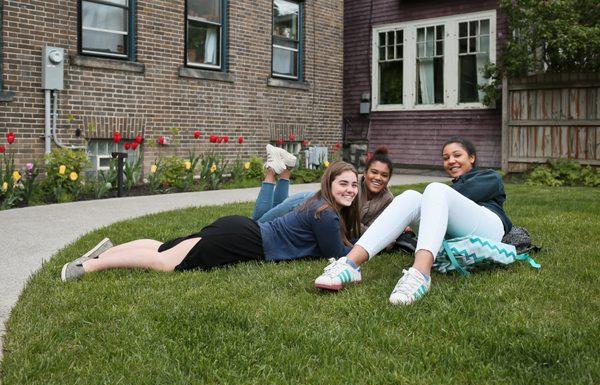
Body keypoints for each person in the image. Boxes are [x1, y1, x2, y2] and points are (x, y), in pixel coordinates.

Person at [61, 161, 361, 281]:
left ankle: (106, 253)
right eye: (343, 183)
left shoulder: (318, 203)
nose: (349, 190)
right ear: (329, 183)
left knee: (163, 247)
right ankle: (88, 267)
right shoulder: (326, 213)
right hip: (244, 240)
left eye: (354, 185)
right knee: (166, 261)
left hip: (242, 229)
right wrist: (373, 245)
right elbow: (337, 255)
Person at [314, 136, 513, 305]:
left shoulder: (489, 176)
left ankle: (420, 274)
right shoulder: (446, 192)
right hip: (456, 230)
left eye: (457, 155)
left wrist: (432, 200)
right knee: (410, 196)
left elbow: (459, 196)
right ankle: (350, 264)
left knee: (434, 189)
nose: (451, 160)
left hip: (490, 227)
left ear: (472, 157)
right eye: (446, 158)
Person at [253, 145, 394, 235]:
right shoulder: (353, 184)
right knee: (257, 225)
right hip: (306, 203)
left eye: (384, 175)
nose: (378, 178)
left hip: (314, 212)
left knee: (270, 223)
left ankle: (287, 169)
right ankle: (271, 171)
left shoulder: (387, 200)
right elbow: (356, 225)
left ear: (389, 178)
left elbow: (377, 229)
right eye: (374, 172)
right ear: (365, 172)